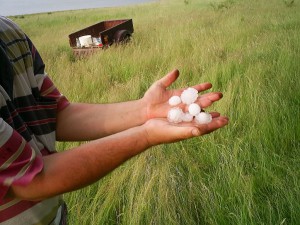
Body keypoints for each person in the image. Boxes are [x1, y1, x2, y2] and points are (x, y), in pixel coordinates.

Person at [0, 16, 229, 225]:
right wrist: (146, 134)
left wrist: (144, 110)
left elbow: (55, 115)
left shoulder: (10, 33)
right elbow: (32, 180)